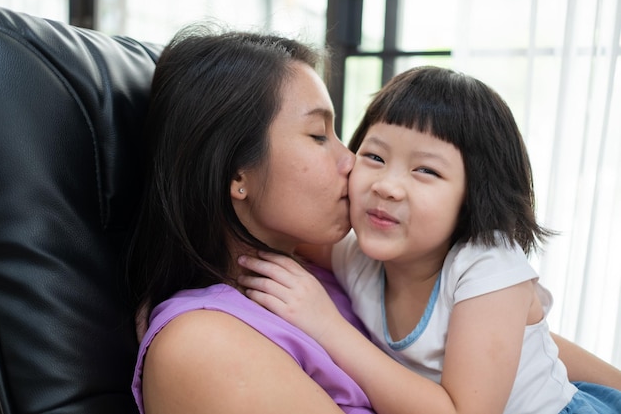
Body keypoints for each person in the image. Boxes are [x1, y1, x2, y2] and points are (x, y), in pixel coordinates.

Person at [237, 65, 621, 413]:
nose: (388, 186)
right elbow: (278, 227)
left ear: (474, 196)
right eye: (374, 157)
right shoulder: (356, 257)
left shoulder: (487, 268)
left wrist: (325, 325)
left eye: (425, 170)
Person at [125, 24, 374, 414]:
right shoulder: (202, 344)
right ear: (237, 174)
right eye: (318, 135)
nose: (351, 161)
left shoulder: (324, 275)